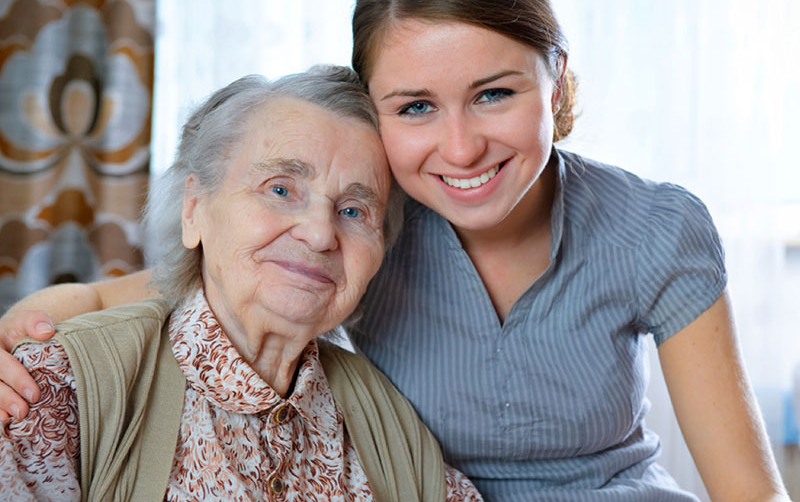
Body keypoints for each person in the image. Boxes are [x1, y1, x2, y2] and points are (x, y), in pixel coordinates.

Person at [0, 0, 791, 501]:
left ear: (558, 80)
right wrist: (38, 319)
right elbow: (200, 284)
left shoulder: (656, 228)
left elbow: (748, 491)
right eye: (414, 107)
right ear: (375, 111)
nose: (460, 148)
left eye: (493, 94)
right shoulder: (368, 229)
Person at [0, 66, 483, 501]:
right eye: (280, 190)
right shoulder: (54, 386)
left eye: (354, 211)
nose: (319, 233)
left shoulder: (391, 430)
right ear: (195, 210)